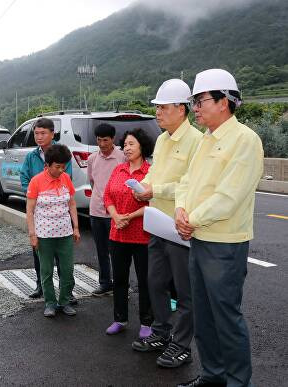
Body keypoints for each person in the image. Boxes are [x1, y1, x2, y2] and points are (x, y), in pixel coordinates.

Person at [175, 69, 263, 387]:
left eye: (200, 101)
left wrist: (191, 219)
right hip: (199, 238)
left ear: (224, 101)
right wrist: (182, 210)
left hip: (225, 243)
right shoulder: (207, 140)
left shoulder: (244, 140)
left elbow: (229, 196)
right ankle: (213, 376)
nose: (195, 108)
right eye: (194, 101)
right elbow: (187, 181)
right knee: (204, 317)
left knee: (226, 318)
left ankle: (238, 382)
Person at [131, 79, 203, 368]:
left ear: (180, 109)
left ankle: (182, 344)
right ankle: (161, 332)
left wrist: (154, 190)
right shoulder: (161, 140)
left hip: (179, 225)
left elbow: (192, 186)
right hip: (157, 223)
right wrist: (142, 186)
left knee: (185, 291)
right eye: (157, 107)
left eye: (162, 107)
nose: (158, 112)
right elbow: (155, 175)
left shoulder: (196, 141)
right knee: (155, 282)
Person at [103, 128, 154, 338]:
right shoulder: (119, 170)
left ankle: (147, 322)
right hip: (118, 234)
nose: (127, 148)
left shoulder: (151, 172)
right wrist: (116, 216)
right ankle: (120, 319)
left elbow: (153, 202)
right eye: (125, 145)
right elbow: (107, 196)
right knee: (120, 278)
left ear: (142, 146)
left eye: (131, 144)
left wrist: (130, 216)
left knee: (145, 280)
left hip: (142, 235)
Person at [20, 118, 75, 304]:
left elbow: (68, 179)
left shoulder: (62, 154)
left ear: (53, 134)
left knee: (64, 260)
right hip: (40, 211)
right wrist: (33, 193)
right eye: (36, 133)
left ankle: (67, 293)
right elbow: (24, 175)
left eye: (43, 133)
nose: (39, 137)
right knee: (40, 255)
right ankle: (41, 286)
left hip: (60, 215)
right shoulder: (31, 156)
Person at [26, 144, 80, 317]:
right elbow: (29, 210)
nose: (61, 170)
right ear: (47, 165)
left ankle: (64, 301)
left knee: (67, 269)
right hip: (44, 235)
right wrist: (32, 234)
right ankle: (50, 303)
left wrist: (76, 227)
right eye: (57, 166)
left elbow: (71, 203)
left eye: (63, 166)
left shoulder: (65, 179)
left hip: (65, 233)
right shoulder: (36, 181)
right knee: (46, 270)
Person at [86, 123, 125, 296]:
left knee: (117, 251)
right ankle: (105, 283)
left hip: (115, 213)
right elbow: (92, 182)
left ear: (113, 139)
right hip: (96, 211)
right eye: (99, 140)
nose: (102, 144)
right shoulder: (92, 159)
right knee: (101, 250)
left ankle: (120, 284)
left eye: (106, 140)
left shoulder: (122, 157)